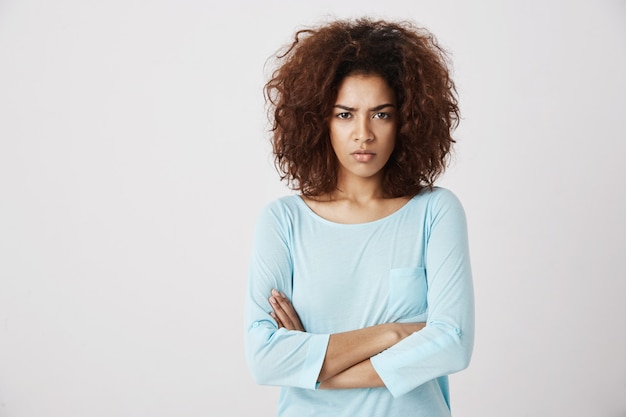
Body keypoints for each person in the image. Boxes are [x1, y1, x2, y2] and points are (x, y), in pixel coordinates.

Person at [244, 17, 474, 417]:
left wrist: (316, 366)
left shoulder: (435, 212)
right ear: (320, 120)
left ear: (407, 120)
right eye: (345, 114)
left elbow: (452, 343)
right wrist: (395, 333)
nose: (363, 133)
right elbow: (265, 359)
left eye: (381, 114)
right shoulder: (283, 222)